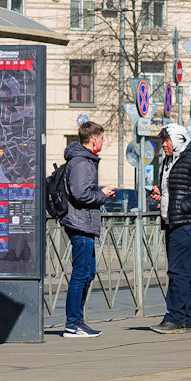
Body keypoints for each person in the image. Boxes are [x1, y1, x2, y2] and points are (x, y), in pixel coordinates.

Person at [149, 123, 191, 332]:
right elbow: (174, 188)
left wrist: (183, 207)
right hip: (174, 221)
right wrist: (161, 194)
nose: (163, 145)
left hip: (190, 222)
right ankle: (189, 319)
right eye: (162, 141)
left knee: (178, 270)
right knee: (186, 270)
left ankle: (175, 318)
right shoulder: (170, 160)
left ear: (177, 139)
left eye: (166, 140)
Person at [62, 121, 115, 338]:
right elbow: (80, 194)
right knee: (81, 273)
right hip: (80, 222)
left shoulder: (84, 160)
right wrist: (103, 195)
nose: (103, 141)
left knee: (88, 272)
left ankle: (77, 322)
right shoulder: (82, 162)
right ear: (94, 139)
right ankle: (73, 323)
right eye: (102, 138)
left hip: (84, 222)